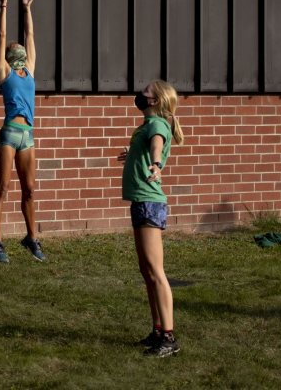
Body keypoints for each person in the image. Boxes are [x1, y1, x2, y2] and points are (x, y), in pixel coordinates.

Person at [116, 80, 185, 356]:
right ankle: (157, 331)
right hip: (141, 201)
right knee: (147, 272)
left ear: (155, 100)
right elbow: (147, 146)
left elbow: (157, 146)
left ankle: (168, 338)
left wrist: (156, 164)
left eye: (146, 92)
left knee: (156, 272)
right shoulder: (148, 125)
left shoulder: (156, 126)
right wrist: (133, 155)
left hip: (149, 202)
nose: (140, 94)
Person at [0, 0, 45, 263]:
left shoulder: (30, 70)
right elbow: (1, 34)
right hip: (10, 134)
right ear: (10, 56)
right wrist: (4, 6)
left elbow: (30, 33)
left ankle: (31, 237)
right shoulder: (5, 71)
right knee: (3, 187)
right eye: (14, 46)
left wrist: (27, 9)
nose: (17, 44)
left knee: (30, 189)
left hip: (28, 136)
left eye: (17, 44)